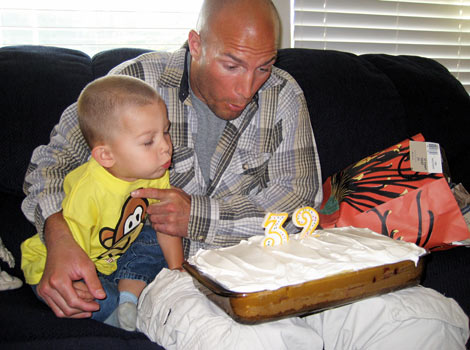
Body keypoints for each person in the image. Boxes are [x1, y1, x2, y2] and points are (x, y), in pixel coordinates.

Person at [21, 0, 469, 348]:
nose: (247, 88)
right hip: (170, 277)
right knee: (258, 342)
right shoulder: (135, 82)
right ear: (196, 44)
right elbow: (50, 165)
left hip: (277, 264)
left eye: (263, 67)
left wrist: (198, 215)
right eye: (231, 65)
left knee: (426, 322)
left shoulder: (283, 95)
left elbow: (298, 207)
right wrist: (58, 238)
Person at [21, 75, 184, 331]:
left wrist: (178, 274)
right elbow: (71, 256)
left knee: (160, 232)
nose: (166, 147)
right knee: (92, 298)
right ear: (106, 155)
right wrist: (80, 285)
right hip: (62, 261)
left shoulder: (157, 171)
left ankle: (129, 298)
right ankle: (123, 310)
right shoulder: (89, 191)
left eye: (165, 131)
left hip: (113, 254)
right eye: (148, 141)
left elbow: (166, 226)